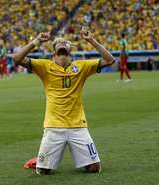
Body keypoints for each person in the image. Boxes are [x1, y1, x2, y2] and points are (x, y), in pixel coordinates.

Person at [12, 27, 116, 175]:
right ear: (53, 54)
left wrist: (91, 40)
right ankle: (41, 160)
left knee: (94, 169)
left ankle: (46, 157)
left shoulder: (81, 67)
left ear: (69, 53)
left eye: (65, 47)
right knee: (42, 171)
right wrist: (36, 41)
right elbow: (16, 59)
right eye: (59, 48)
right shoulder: (45, 66)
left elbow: (110, 60)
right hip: (54, 126)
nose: (62, 49)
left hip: (77, 125)